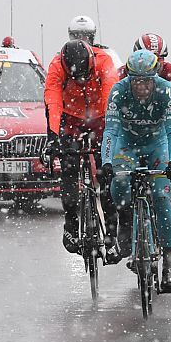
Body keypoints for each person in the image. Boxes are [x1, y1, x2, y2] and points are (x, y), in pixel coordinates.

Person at [101, 50, 171, 292]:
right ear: (129, 78)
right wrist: (107, 162)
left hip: (157, 145)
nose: (142, 87)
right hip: (127, 144)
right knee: (119, 184)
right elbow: (111, 132)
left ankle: (169, 262)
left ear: (154, 77)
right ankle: (127, 221)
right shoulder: (118, 91)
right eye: (136, 81)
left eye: (146, 80)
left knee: (161, 196)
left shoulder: (165, 89)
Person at [44, 39, 121, 259]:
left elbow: (111, 100)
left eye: (85, 76)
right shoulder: (56, 66)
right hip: (71, 121)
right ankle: (70, 224)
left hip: (100, 119)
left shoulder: (104, 61)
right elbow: (53, 102)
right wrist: (53, 138)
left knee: (107, 175)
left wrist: (110, 135)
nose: (82, 80)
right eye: (76, 77)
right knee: (68, 169)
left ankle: (112, 237)